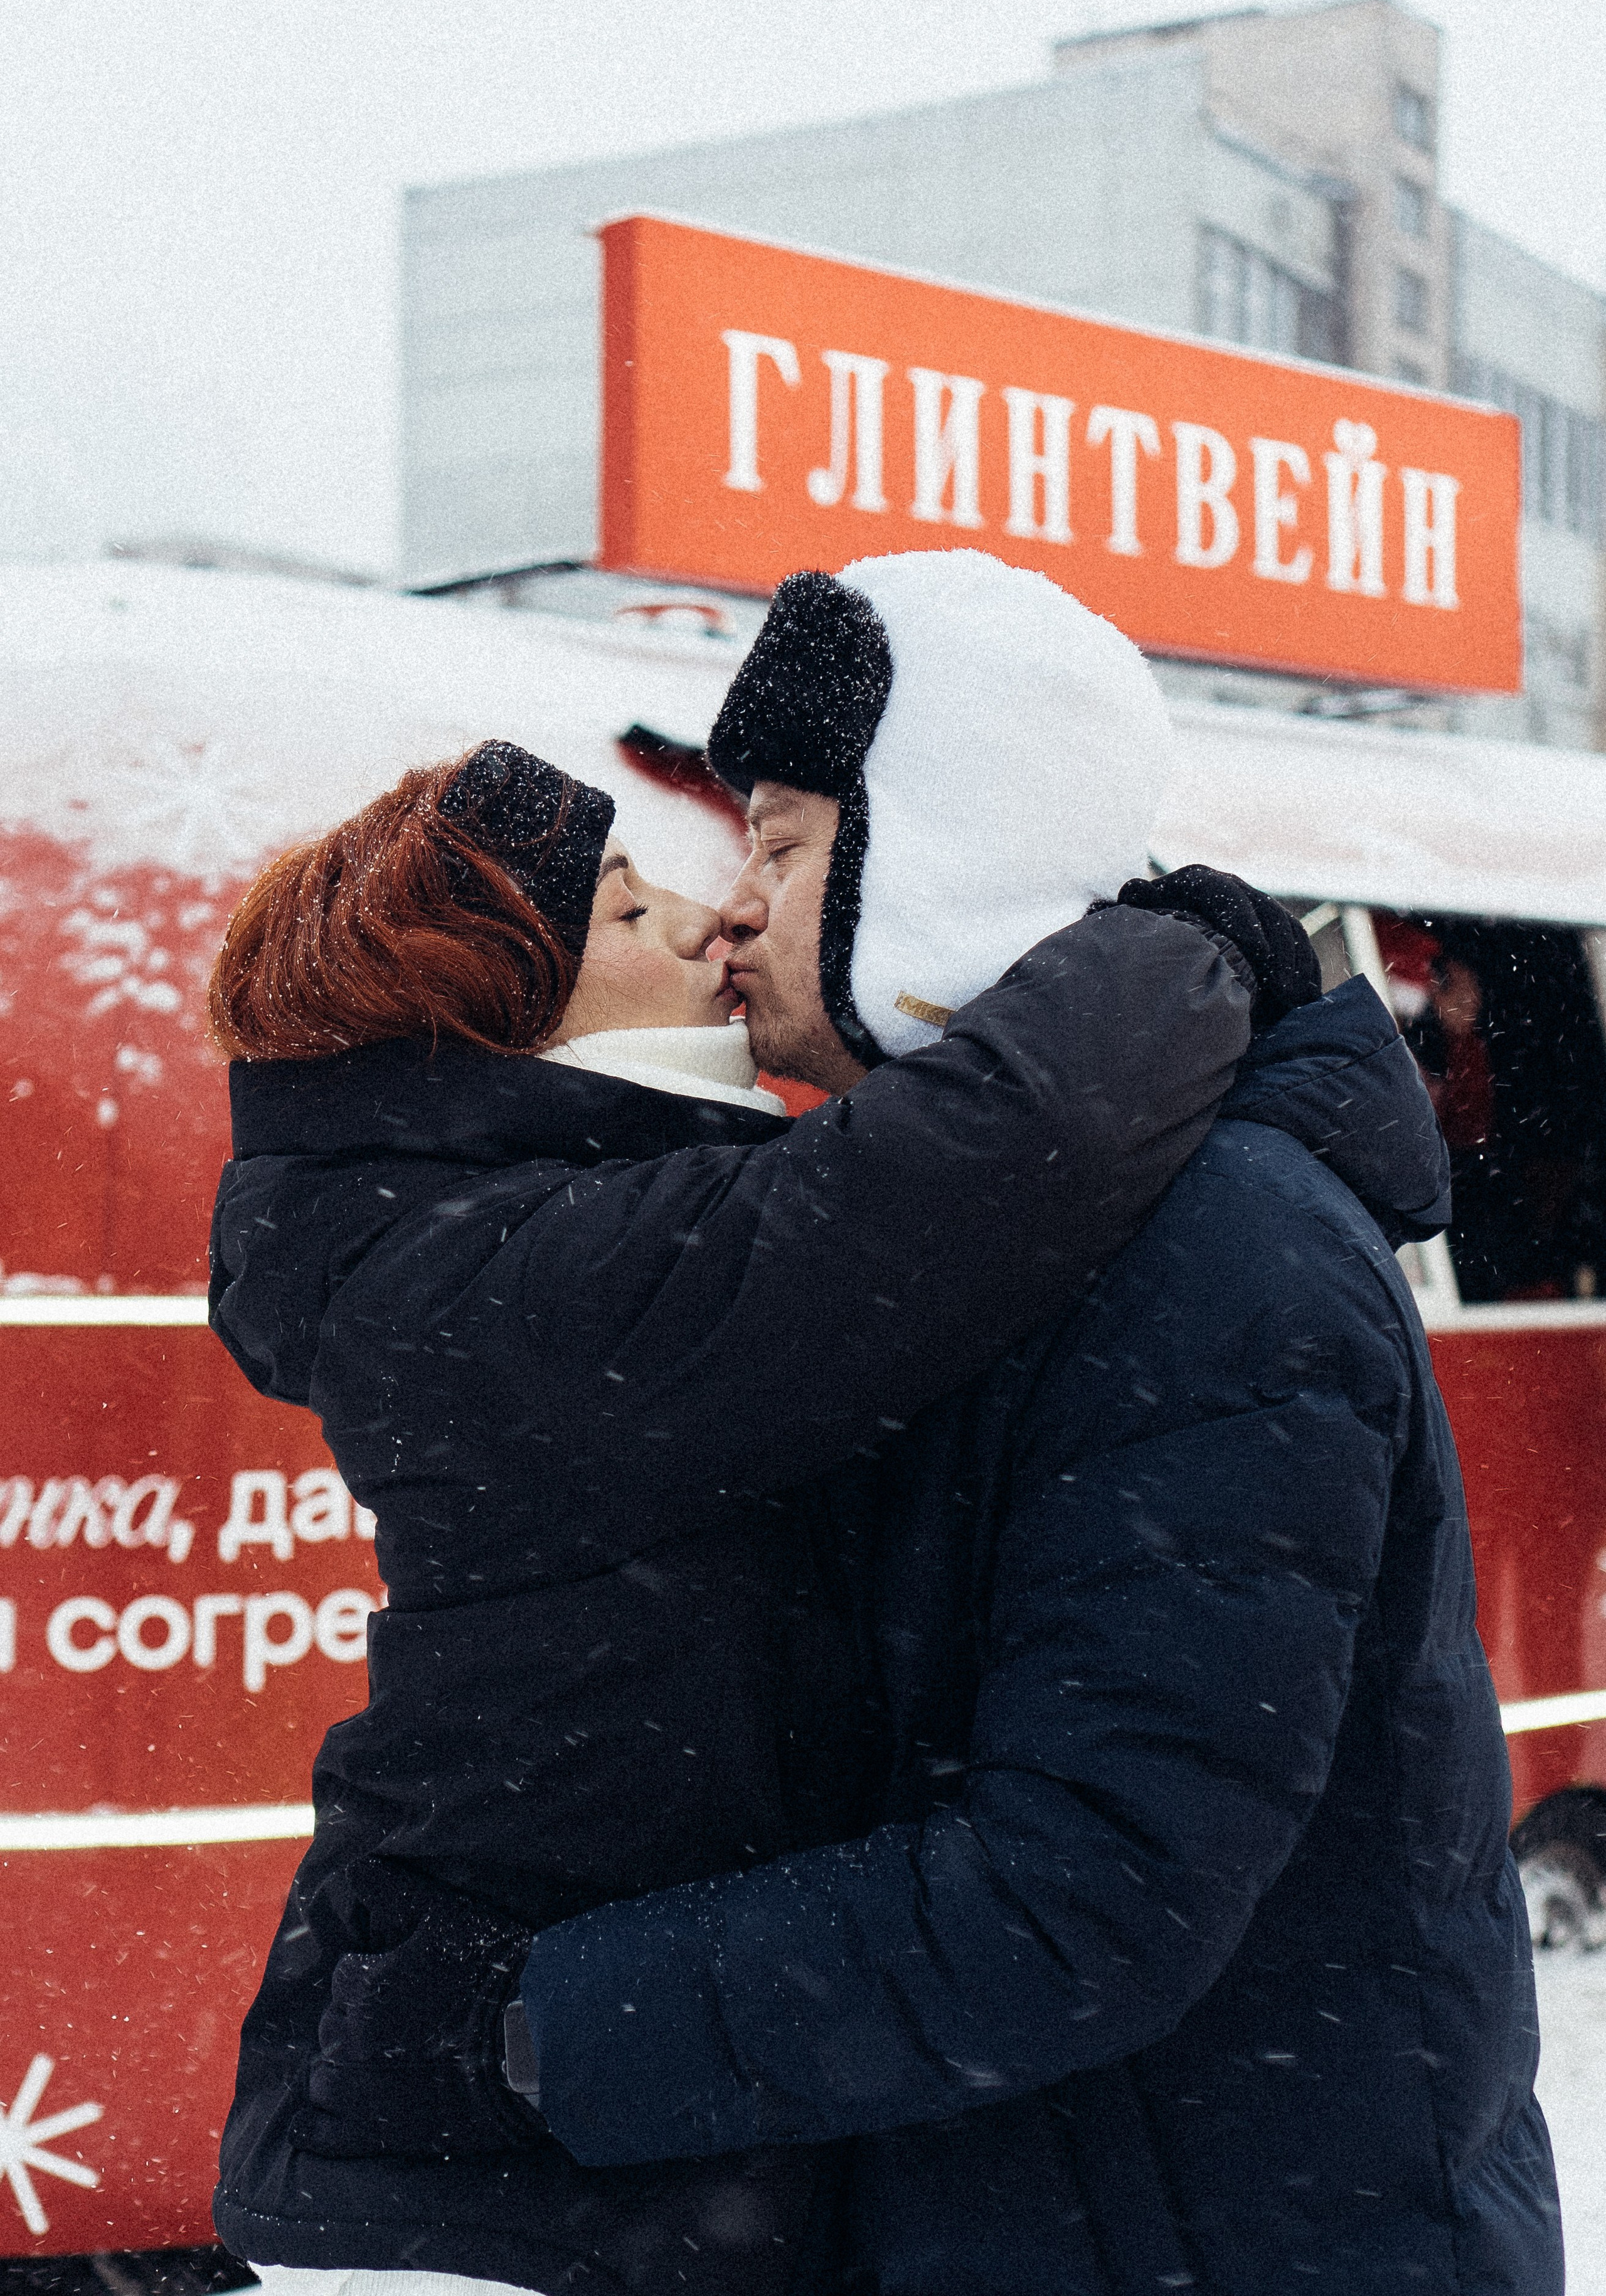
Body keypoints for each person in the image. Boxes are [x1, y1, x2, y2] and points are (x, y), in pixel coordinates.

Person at [307, 552, 1563, 2296]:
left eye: (782, 847)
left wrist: (539, 2026)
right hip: (1077, 2205)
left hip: (1226, 2233)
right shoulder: (977, 1241)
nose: (732, 911)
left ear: (940, 865)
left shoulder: (1217, 1251)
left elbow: (1090, 1890)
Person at [206, 650, 1285, 2293]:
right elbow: (998, 1157)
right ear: (509, 1029)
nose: (714, 921)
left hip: (555, 2116)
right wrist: (1180, 944)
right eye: (629, 915)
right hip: (485, 2173)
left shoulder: (491, 1240)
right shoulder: (514, 1279)